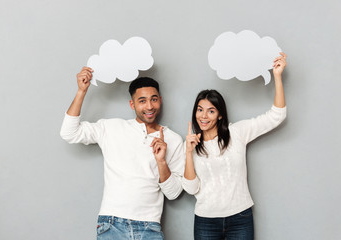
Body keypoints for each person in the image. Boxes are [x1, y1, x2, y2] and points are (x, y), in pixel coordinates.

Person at [60, 67, 184, 240]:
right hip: (111, 224)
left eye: (154, 99)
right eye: (142, 101)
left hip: (150, 227)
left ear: (160, 101)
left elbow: (174, 193)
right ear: (132, 104)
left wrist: (161, 162)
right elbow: (69, 132)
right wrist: (82, 91)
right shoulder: (112, 128)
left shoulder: (173, 139)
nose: (149, 106)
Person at [182, 53, 288, 240]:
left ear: (220, 115)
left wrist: (277, 77)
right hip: (206, 221)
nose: (204, 116)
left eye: (211, 111)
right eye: (200, 109)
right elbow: (191, 189)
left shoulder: (236, 133)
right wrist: (188, 153)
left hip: (240, 217)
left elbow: (276, 116)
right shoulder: (191, 144)